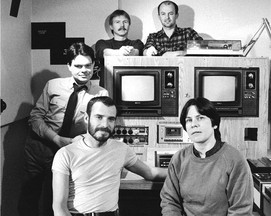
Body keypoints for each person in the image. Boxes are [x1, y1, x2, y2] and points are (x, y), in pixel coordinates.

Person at [18, 42, 109, 216]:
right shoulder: (53, 85)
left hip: (69, 151)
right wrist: (55, 139)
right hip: (39, 147)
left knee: (57, 200)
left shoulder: (101, 94)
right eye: (78, 66)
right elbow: (35, 117)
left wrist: (79, 142)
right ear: (69, 66)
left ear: (94, 65)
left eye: (88, 65)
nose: (84, 70)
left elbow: (98, 127)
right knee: (29, 197)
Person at [52, 96, 167, 216]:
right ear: (86, 118)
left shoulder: (121, 149)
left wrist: (182, 172)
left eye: (111, 119)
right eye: (99, 117)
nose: (105, 124)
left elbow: (149, 172)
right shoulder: (65, 154)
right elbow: (59, 207)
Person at [160, 97, 254, 216]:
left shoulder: (235, 159)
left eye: (200, 118)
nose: (194, 124)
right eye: (189, 120)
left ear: (214, 124)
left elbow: (241, 210)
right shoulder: (179, 159)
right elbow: (169, 201)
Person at [95, 9, 144, 87]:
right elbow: (105, 52)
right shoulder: (102, 43)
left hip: (132, 87)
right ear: (111, 26)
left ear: (129, 25)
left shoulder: (137, 43)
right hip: (108, 89)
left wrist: (132, 52)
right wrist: (119, 53)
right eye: (117, 22)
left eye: (125, 22)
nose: (122, 25)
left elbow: (136, 52)